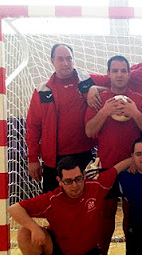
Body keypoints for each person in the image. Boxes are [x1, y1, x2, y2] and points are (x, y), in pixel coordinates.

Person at [9, 155, 132, 255]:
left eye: (78, 179)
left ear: (84, 175)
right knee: (25, 232)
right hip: (58, 248)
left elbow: (117, 168)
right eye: (68, 181)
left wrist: (138, 158)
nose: (75, 185)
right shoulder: (52, 199)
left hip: (87, 253)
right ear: (59, 181)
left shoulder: (97, 186)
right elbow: (14, 208)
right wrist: (34, 228)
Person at [85, 55, 142, 254]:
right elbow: (89, 131)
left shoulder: (139, 99)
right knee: (106, 215)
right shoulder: (100, 99)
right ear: (108, 74)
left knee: (132, 214)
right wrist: (105, 111)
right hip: (107, 166)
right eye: (115, 71)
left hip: (134, 167)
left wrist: (136, 113)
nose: (119, 75)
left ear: (129, 73)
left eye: (123, 71)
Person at [26, 43, 96, 193]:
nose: (65, 63)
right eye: (60, 59)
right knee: (55, 207)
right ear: (52, 61)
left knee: (88, 204)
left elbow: (114, 83)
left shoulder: (87, 82)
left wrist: (96, 88)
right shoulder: (42, 91)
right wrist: (32, 158)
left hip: (84, 155)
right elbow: (33, 127)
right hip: (54, 160)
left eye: (69, 58)